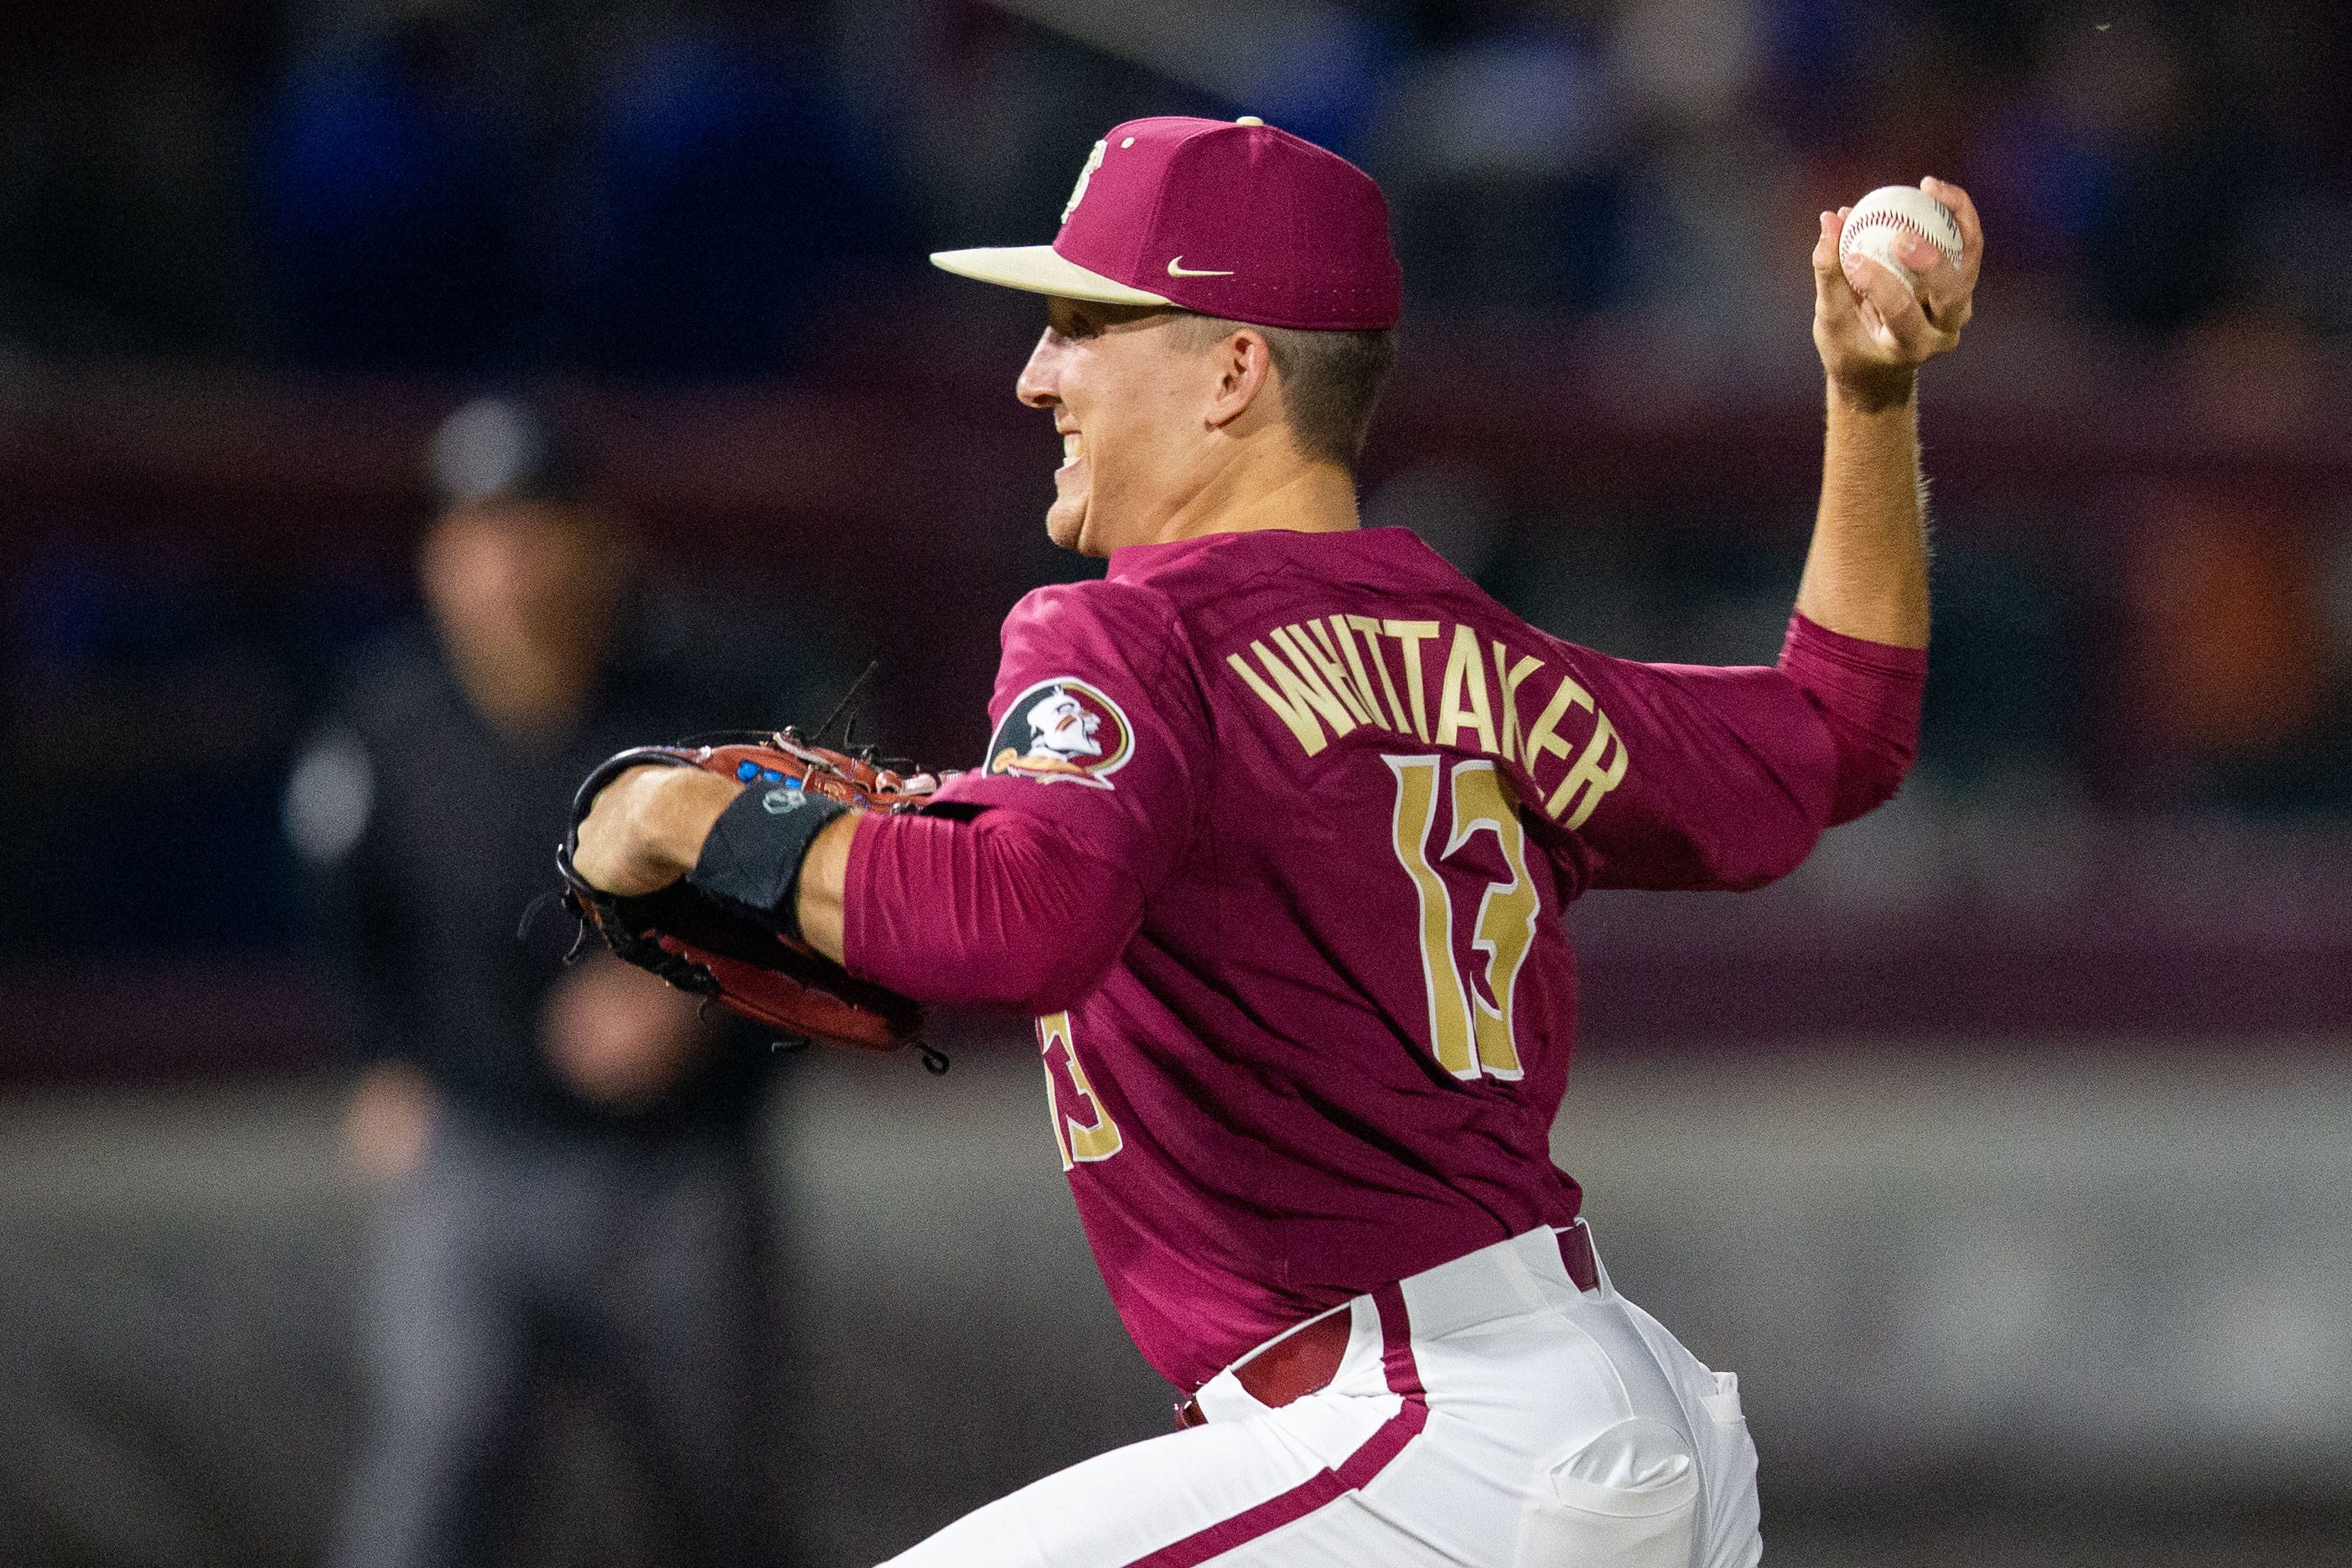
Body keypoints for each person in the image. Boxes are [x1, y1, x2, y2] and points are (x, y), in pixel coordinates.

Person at [573, 116, 1978, 1567]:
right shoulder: (1484, 661)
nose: (1034, 374)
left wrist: (687, 820)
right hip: (1602, 1413)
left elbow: (1023, 916)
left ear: (1234, 370)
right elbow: (1837, 731)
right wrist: (1868, 402)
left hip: (1423, 1440)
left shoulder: (1124, 631)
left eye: (1079, 325)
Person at [288, 396, 817, 1568]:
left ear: (602, 542)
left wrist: (693, 995)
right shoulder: (392, 722)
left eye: (534, 528)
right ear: (435, 558)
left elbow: (822, 921)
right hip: (477, 1160)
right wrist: (384, 1059)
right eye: (476, 533)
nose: (505, 567)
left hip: (673, 1176)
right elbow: (346, 910)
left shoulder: (701, 714)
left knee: (720, 1502)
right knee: (431, 1477)